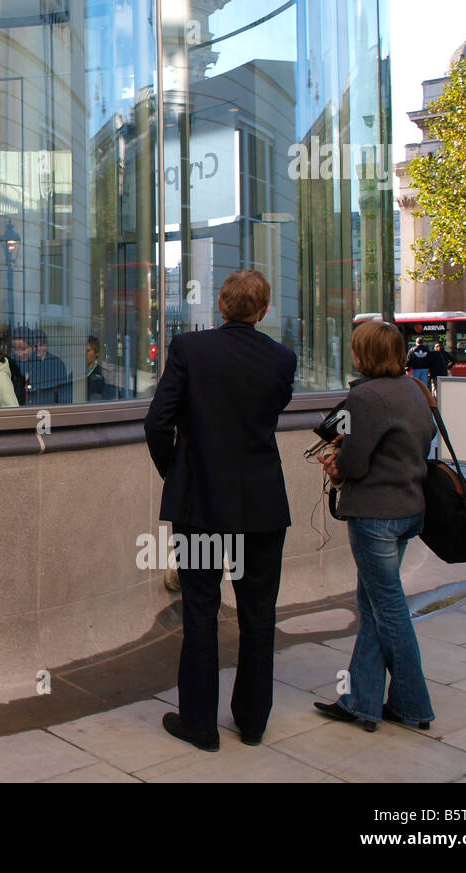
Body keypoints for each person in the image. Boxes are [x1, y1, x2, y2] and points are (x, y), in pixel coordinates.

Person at [143, 269, 297, 751]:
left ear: (221, 307)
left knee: (201, 611)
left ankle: (200, 725)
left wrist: (177, 471)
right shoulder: (282, 359)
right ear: (264, 311)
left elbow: (157, 421)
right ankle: (252, 722)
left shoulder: (190, 349)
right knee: (258, 615)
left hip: (202, 505)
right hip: (262, 507)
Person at [313, 319, 436, 733]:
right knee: (373, 607)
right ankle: (361, 702)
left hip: (375, 517)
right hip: (407, 510)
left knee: (389, 610)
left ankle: (412, 704)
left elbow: (354, 463)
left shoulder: (365, 396)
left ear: (364, 354)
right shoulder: (414, 389)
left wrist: (337, 466)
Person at [86, 335, 108, 401]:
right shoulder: (75, 373)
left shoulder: (102, 375)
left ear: (97, 353)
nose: (84, 353)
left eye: (88, 351)